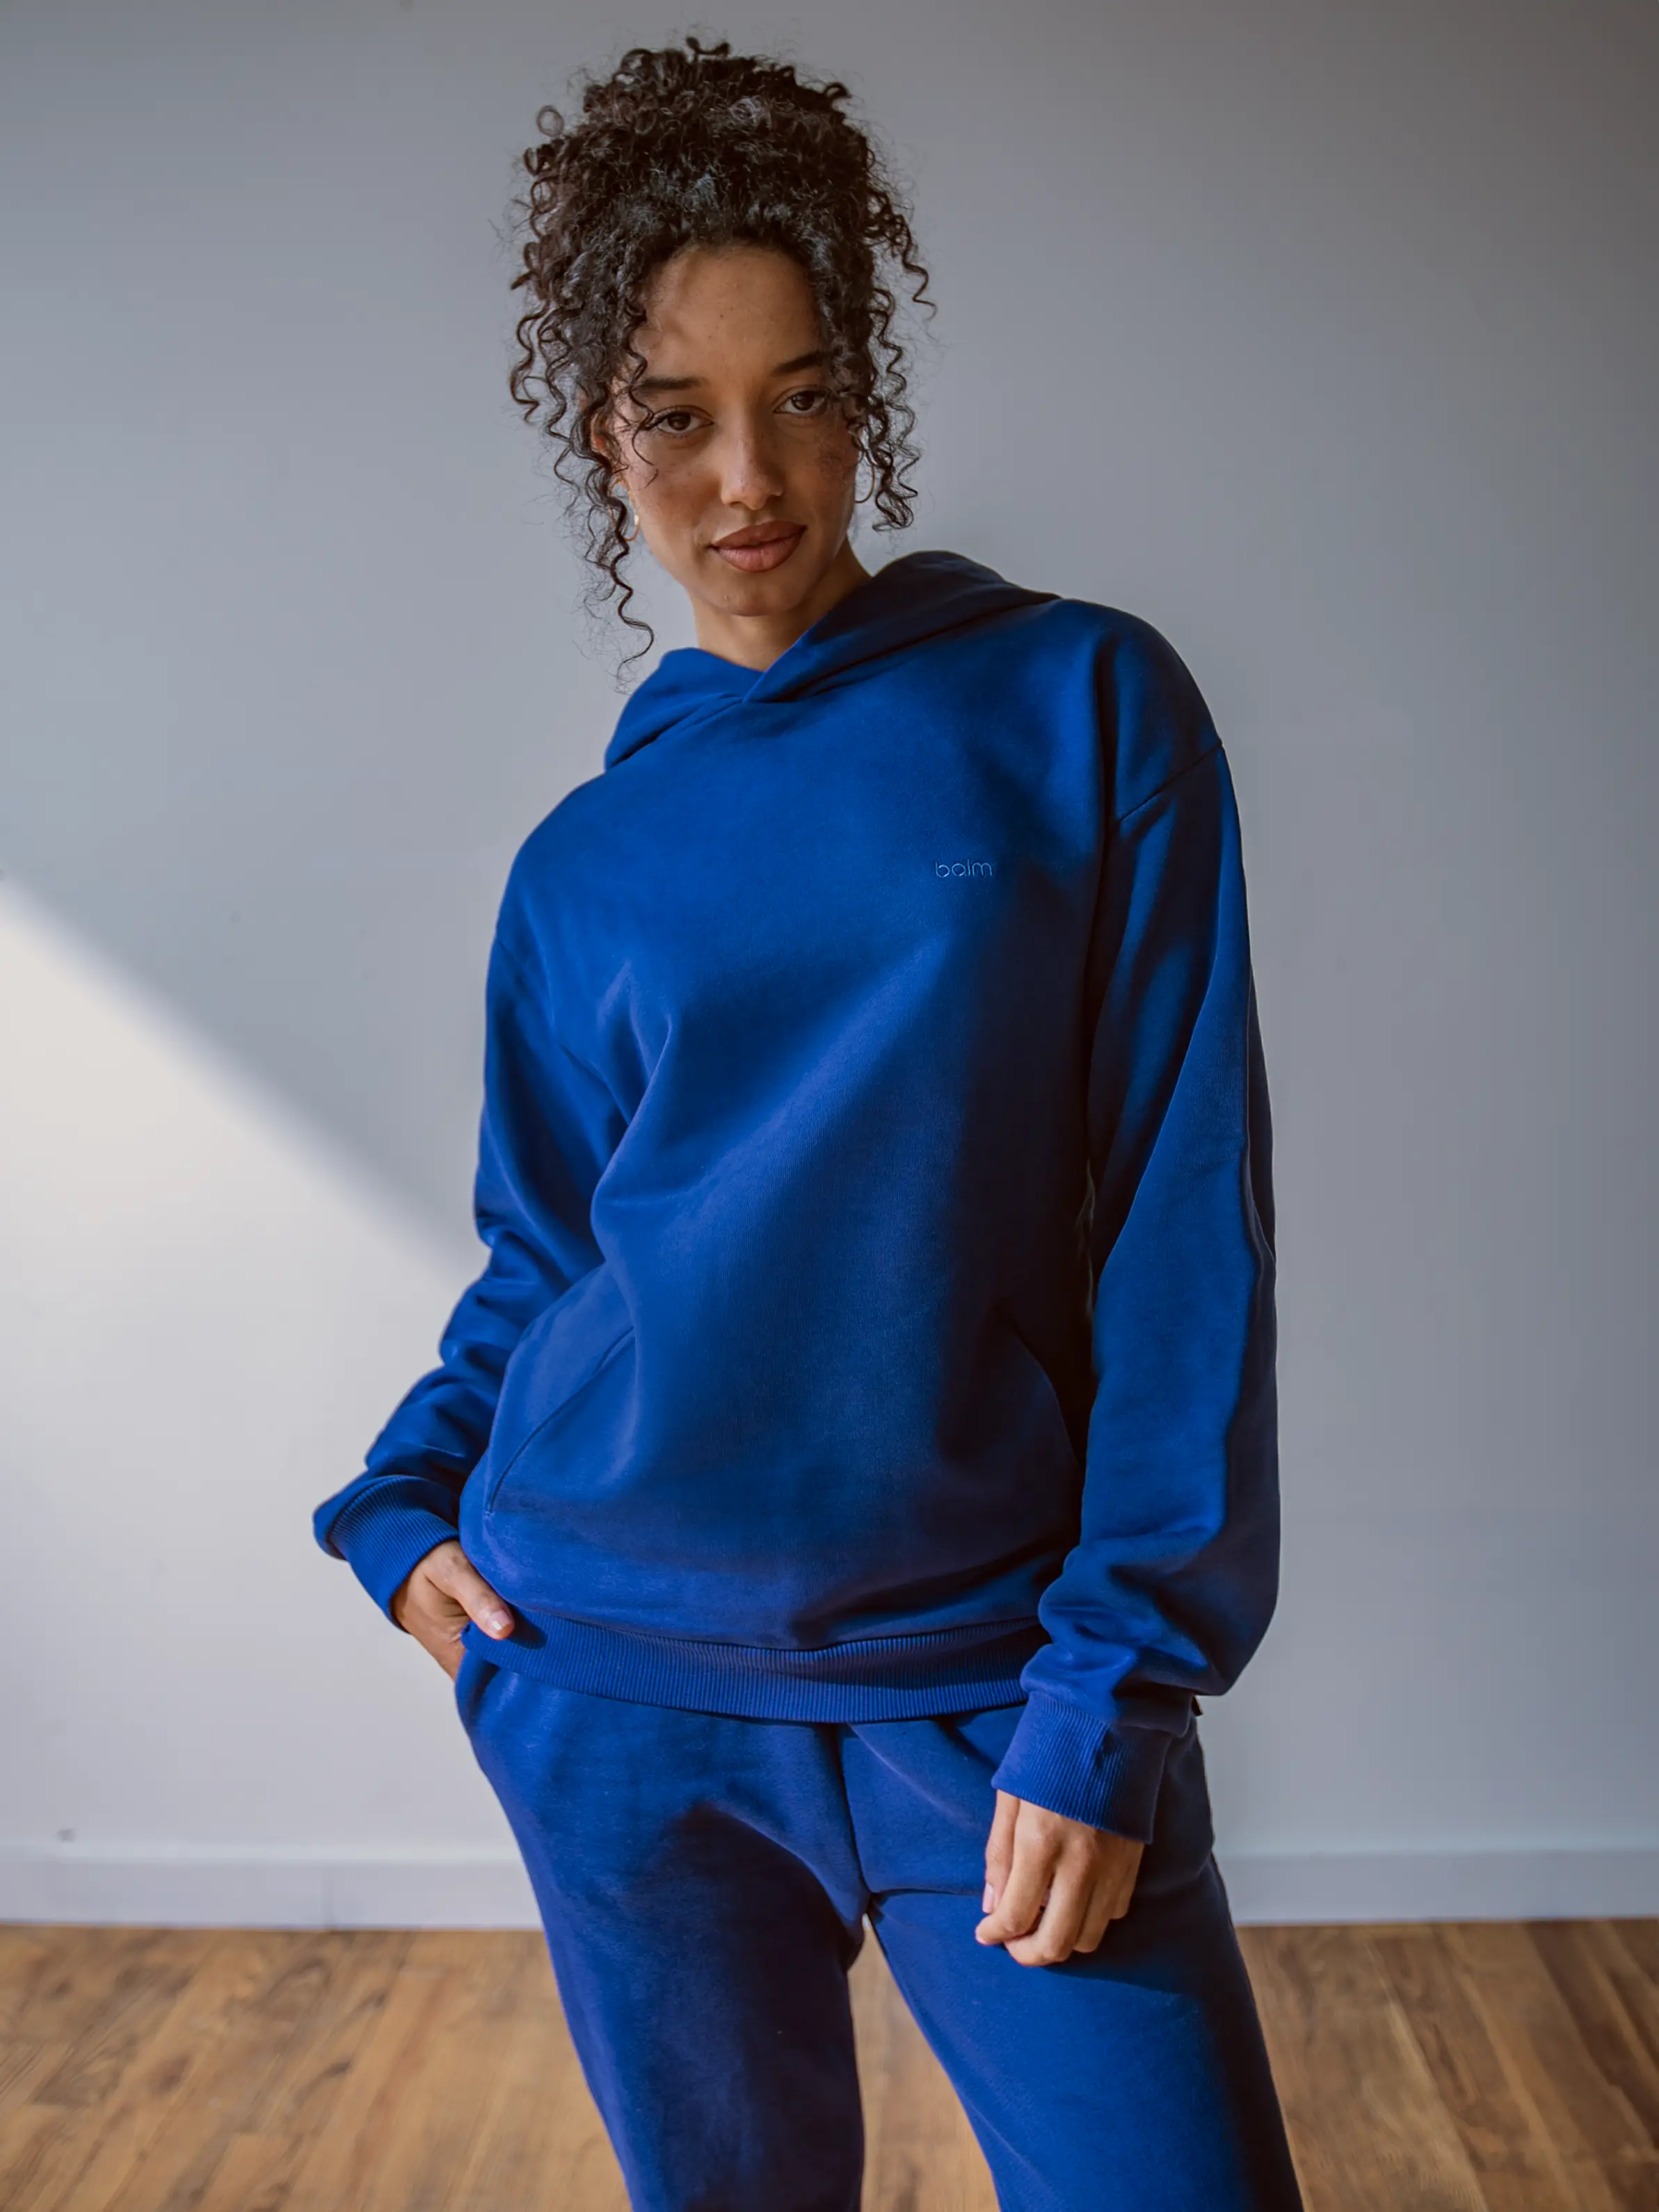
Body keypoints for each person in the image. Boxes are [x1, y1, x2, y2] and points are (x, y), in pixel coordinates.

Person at [312, 36, 1303, 2212]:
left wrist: (1121, 1687)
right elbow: (553, 1257)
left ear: (870, 397)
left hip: (992, 1681)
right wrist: (399, 1506)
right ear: (605, 438)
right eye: (678, 415)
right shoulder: (583, 865)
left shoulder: (1079, 705)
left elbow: (1181, 1222)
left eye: (805, 393)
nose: (749, 476)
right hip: (617, 1691)